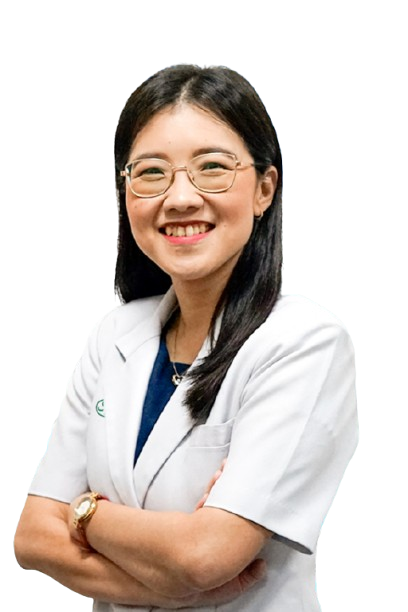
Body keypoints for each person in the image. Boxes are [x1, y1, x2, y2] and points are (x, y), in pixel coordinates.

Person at [13, 63, 359, 611]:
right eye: (151, 172)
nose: (179, 198)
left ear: (264, 188)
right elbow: (32, 536)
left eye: (212, 168)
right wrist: (165, 582)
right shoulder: (113, 335)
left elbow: (204, 556)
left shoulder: (304, 341)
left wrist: (83, 512)